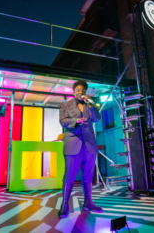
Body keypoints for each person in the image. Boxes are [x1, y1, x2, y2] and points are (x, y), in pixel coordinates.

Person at [58, 80, 103, 218]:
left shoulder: (89, 105)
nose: (80, 92)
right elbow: (62, 121)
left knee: (88, 175)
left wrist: (91, 104)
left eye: (83, 90)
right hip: (73, 143)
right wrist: (75, 121)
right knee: (69, 175)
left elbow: (97, 119)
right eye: (78, 90)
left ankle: (88, 202)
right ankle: (64, 205)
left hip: (89, 144)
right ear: (73, 91)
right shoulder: (65, 105)